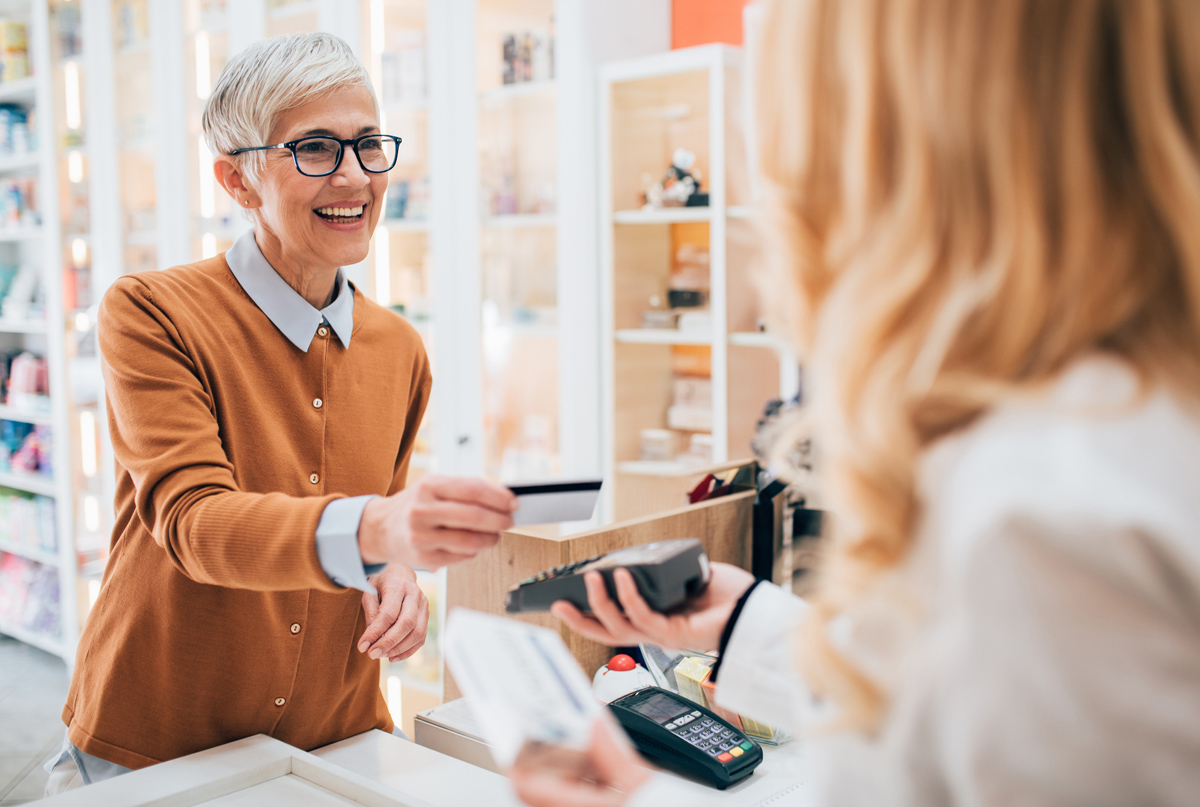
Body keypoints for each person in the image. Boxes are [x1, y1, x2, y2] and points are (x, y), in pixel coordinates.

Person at [512, 0, 1200, 804]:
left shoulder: (1040, 516)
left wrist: (637, 797)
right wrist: (750, 630)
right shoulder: (1116, 421)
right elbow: (955, 701)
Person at [45, 33, 518, 794]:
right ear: (237, 181)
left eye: (368, 144)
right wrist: (377, 531)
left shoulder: (400, 348)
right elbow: (196, 522)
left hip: (336, 739)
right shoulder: (151, 313)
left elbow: (380, 519)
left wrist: (395, 569)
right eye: (316, 149)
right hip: (157, 746)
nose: (356, 176)